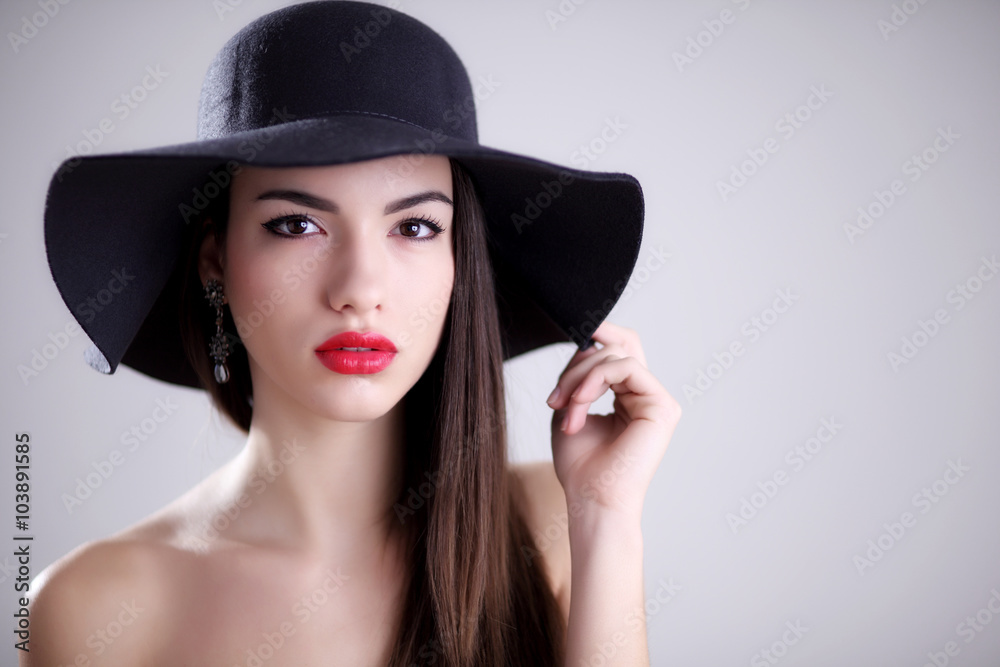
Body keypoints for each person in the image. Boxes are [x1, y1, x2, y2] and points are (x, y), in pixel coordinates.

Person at [26, 2, 681, 665]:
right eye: (296, 224)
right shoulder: (93, 608)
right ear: (215, 260)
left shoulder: (555, 526)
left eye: (416, 226)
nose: (360, 287)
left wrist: (604, 518)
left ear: (461, 260)